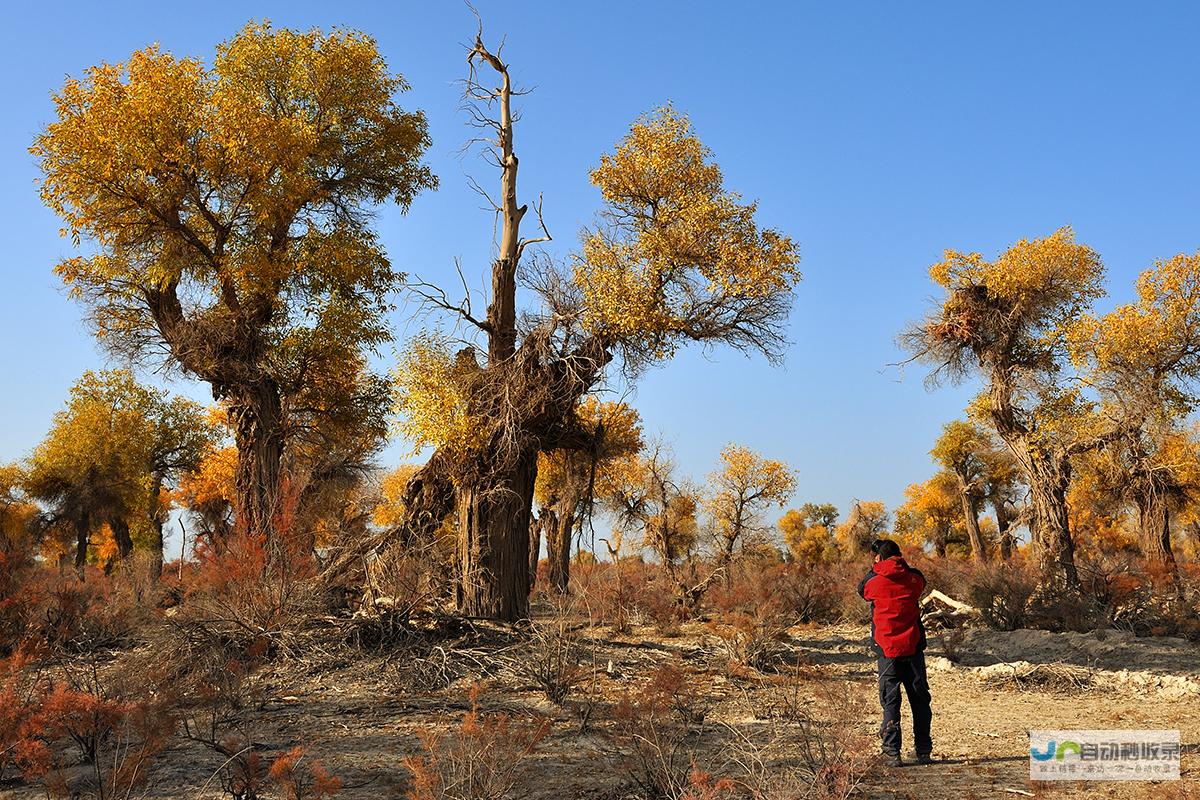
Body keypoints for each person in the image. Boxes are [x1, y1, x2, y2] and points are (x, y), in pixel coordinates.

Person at [858, 538, 933, 766]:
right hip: (913, 648)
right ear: (899, 556)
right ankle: (923, 751)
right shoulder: (913, 578)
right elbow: (921, 580)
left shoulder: (874, 581)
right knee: (919, 701)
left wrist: (877, 567)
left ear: (879, 558)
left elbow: (862, 589)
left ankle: (892, 752)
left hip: (887, 651)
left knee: (890, 702)